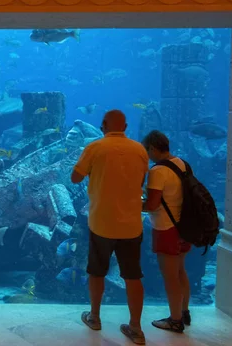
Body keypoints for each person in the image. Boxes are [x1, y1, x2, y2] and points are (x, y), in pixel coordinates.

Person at [71, 110, 149, 345]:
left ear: (103, 125)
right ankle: (135, 327)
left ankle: (94, 317)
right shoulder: (140, 150)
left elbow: (75, 177)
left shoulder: (95, 148)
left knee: (97, 272)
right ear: (125, 126)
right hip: (131, 225)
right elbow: (141, 181)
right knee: (133, 276)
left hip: (102, 223)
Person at [141, 130, 191, 333]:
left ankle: (175, 320)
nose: (147, 155)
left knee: (170, 276)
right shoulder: (183, 164)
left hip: (165, 228)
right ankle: (184, 311)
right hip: (184, 227)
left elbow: (152, 205)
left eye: (147, 150)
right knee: (180, 271)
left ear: (153, 148)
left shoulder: (157, 171)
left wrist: (134, 203)